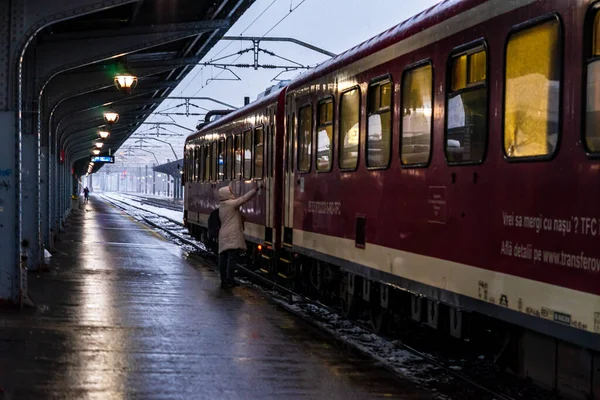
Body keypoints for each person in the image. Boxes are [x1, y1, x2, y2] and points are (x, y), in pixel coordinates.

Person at [217, 182, 262, 288]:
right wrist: (255, 190)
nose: (232, 192)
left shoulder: (222, 207)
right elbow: (244, 198)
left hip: (223, 234)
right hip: (232, 235)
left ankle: (224, 280)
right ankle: (230, 280)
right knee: (232, 259)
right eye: (230, 191)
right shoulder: (231, 204)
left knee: (223, 259)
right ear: (227, 194)